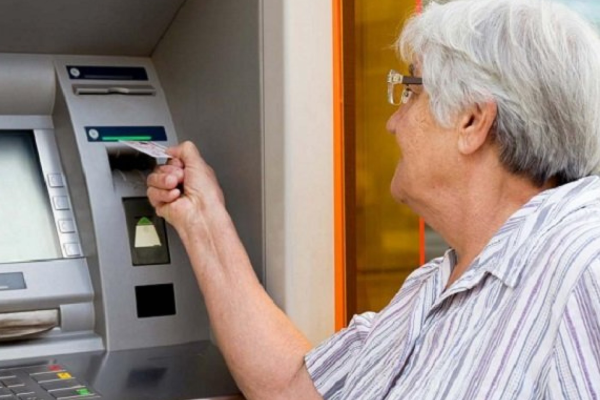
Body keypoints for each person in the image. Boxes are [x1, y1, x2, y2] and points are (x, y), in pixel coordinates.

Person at [147, 0, 600, 398]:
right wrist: (201, 218)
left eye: (411, 93)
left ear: (472, 121)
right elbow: (294, 388)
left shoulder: (583, 264)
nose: (392, 123)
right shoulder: (435, 287)